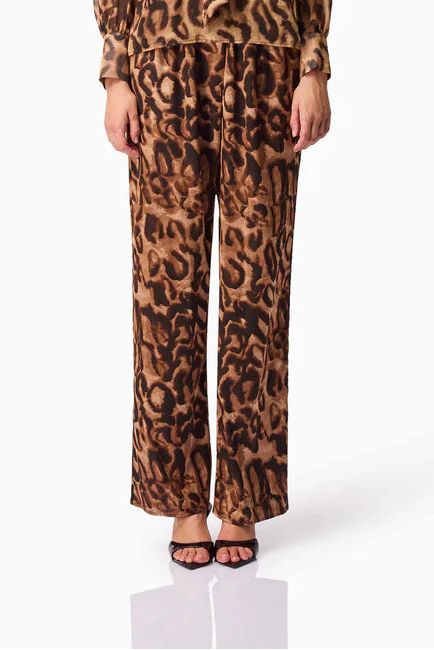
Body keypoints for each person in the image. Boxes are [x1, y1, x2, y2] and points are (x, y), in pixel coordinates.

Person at [94, 0, 332, 569]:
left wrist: (314, 65)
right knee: (164, 299)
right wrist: (116, 73)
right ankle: (182, 500)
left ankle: (243, 497)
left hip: (268, 60)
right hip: (164, 59)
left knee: (258, 292)